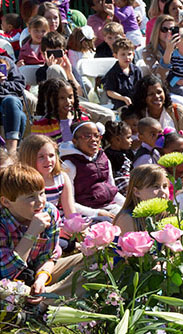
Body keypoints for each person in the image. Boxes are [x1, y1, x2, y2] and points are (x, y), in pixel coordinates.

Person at [0, 165, 80, 301]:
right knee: (4, 291)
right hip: (7, 281)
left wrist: (41, 279)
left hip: (37, 275)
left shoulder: (49, 212)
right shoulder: (2, 222)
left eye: (42, 193)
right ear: (6, 202)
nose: (40, 202)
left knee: (90, 260)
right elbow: (5, 272)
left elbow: (49, 257)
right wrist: (31, 233)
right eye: (31, 197)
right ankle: (49, 301)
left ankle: (44, 296)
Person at [60, 120, 125, 221]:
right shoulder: (69, 165)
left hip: (110, 207)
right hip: (87, 213)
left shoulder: (104, 159)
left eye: (96, 136)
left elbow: (112, 191)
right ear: (75, 141)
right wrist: (96, 213)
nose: (93, 139)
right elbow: (69, 203)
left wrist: (128, 205)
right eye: (87, 136)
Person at [113, 164, 171, 234]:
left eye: (165, 186)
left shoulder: (170, 212)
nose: (163, 191)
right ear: (136, 192)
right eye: (155, 186)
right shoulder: (127, 219)